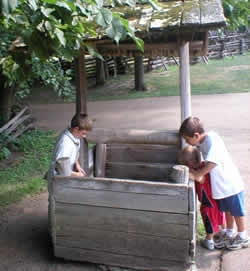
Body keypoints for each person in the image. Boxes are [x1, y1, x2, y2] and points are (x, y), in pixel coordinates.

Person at [179, 116, 248, 250]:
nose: (188, 143)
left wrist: (197, 174)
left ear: (196, 135)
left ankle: (243, 236)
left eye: (188, 140)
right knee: (227, 210)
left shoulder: (212, 139)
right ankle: (229, 232)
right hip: (222, 186)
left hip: (230, 183)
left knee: (236, 211)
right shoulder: (201, 142)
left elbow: (212, 163)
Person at [178, 145, 226, 250]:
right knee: (219, 215)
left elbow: (199, 178)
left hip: (208, 201)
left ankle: (209, 240)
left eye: (185, 164)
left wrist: (188, 171)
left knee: (209, 219)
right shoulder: (204, 166)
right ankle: (223, 232)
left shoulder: (199, 171)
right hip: (215, 197)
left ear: (190, 162)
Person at [49, 112, 93, 178]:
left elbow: (75, 152)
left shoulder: (75, 136)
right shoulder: (66, 145)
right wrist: (77, 175)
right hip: (58, 180)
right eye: (83, 133)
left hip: (66, 174)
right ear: (76, 129)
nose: (84, 136)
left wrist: (77, 164)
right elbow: (61, 169)